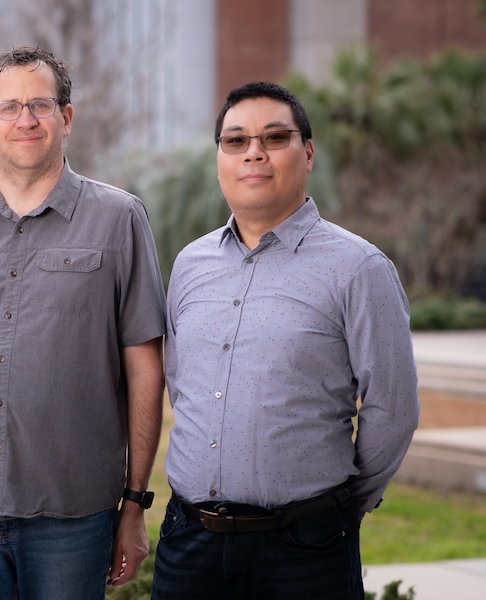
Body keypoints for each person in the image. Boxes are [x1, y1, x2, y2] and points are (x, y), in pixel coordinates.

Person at [0, 46, 167, 599]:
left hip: (75, 515)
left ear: (66, 117)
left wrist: (134, 503)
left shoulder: (119, 218)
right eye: (8, 107)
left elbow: (145, 370)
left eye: (41, 105)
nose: (25, 119)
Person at [152, 81, 420, 599]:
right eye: (236, 141)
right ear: (220, 159)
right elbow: (181, 385)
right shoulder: (189, 265)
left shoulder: (358, 268)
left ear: (308, 152)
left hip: (305, 549)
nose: (254, 152)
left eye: (275, 137)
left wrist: (340, 505)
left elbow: (393, 406)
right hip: (189, 543)